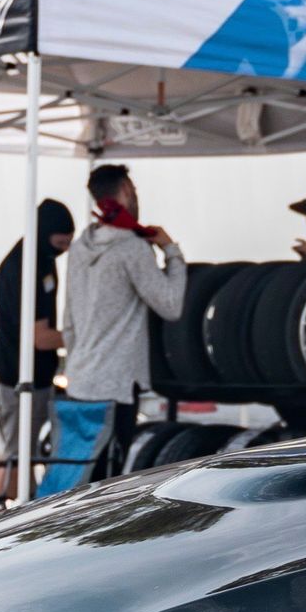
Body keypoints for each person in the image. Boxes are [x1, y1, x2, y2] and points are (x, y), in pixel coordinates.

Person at [47, 165, 185, 497]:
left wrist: (77, 362)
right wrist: (171, 250)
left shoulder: (80, 247)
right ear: (124, 190)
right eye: (134, 190)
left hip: (81, 379)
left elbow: (69, 321)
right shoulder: (131, 249)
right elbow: (171, 305)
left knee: (76, 482)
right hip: (117, 385)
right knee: (107, 486)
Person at [0, 198, 74, 437]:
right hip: (20, 374)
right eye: (60, 243)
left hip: (39, 373)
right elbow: (41, 338)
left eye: (68, 243)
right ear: (44, 234)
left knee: (26, 447)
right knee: (20, 448)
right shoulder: (23, 268)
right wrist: (84, 336)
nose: (64, 250)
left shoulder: (44, 260)